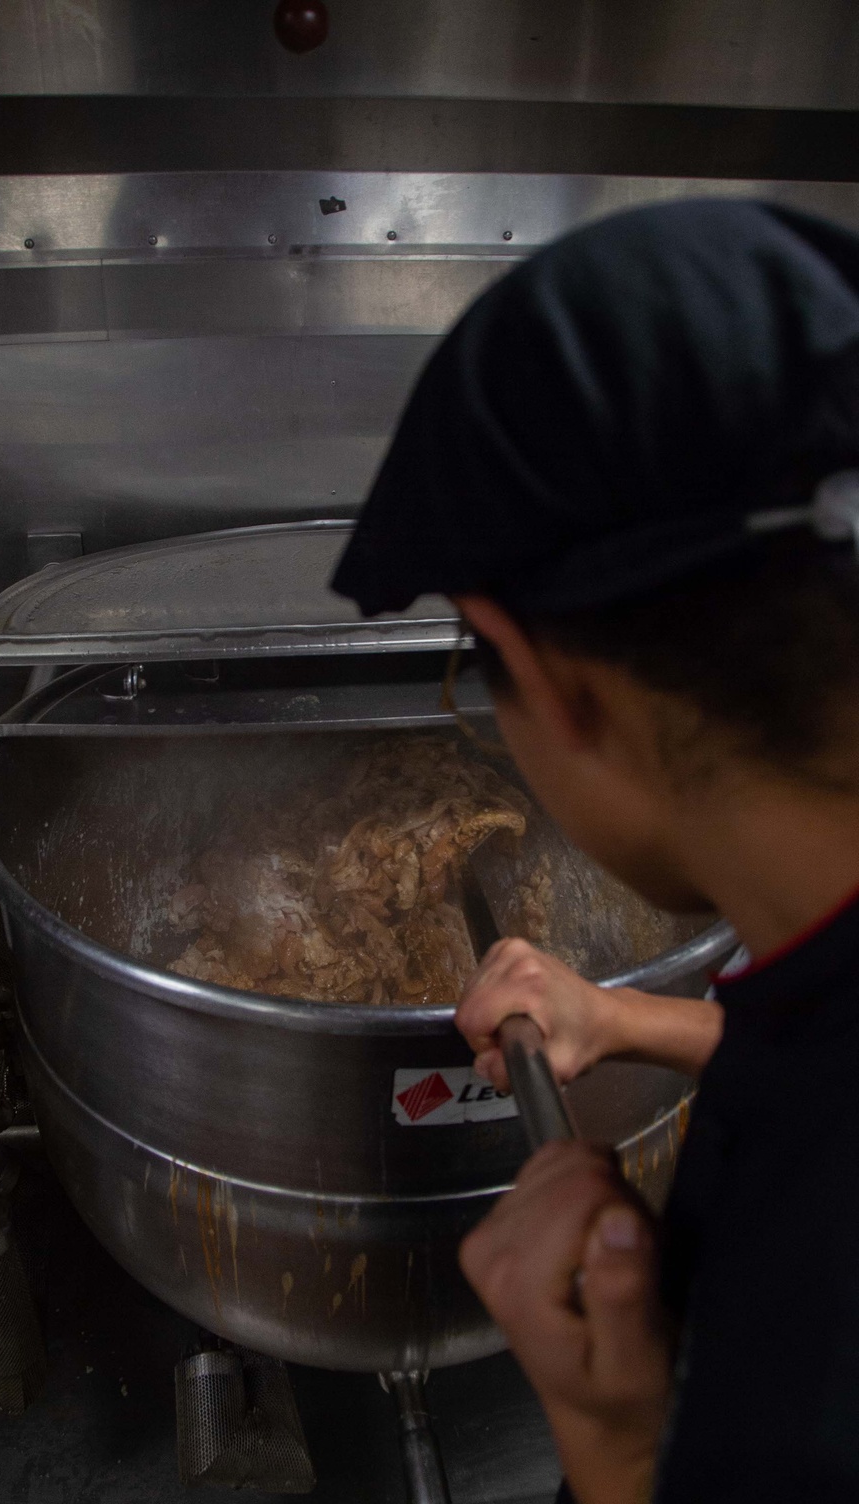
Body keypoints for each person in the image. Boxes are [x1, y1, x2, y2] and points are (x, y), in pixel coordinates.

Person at [331, 199, 859, 1503]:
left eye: (478, 669)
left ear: (553, 684)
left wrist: (613, 1441)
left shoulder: (802, 1366)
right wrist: (632, 1020)